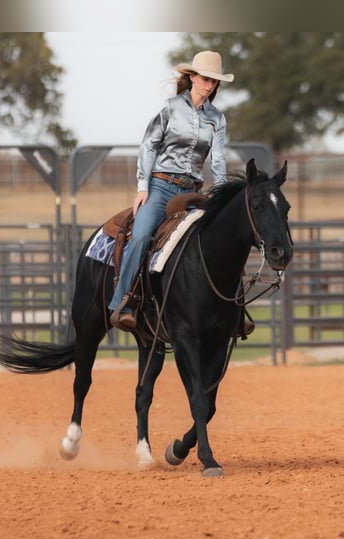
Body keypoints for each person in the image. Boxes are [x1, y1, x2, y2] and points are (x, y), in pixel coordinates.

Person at [109, 50, 235, 332]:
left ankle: (229, 311)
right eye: (205, 79)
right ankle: (123, 302)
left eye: (215, 81)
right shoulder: (170, 108)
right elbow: (149, 145)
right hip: (161, 187)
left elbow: (217, 160)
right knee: (141, 236)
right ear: (192, 77)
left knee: (219, 241)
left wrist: (223, 194)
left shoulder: (217, 118)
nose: (210, 85)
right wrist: (143, 187)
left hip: (192, 192)